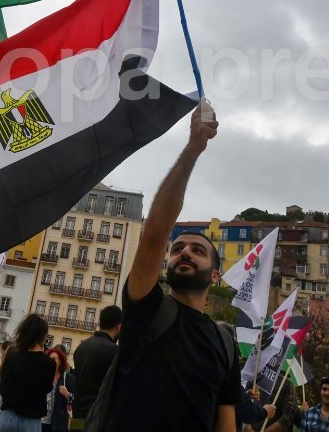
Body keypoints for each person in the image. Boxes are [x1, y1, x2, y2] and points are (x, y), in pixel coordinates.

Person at [100, 101, 239, 432]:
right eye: (177, 249)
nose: (185, 252)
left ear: (215, 275)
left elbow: (226, 421)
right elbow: (153, 235)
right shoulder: (147, 308)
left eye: (197, 250)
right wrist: (192, 150)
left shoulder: (224, 343)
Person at [0, 314, 56, 432]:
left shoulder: (12, 356)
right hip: (31, 420)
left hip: (7, 416)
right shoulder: (49, 363)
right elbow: (46, 389)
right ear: (43, 335)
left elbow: (4, 387)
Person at [68, 306, 121, 430]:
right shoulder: (114, 351)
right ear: (119, 327)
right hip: (97, 419)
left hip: (77, 417)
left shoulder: (81, 348)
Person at [41, 345, 73, 432]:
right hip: (41, 421)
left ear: (60, 361)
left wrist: (67, 394)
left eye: (54, 359)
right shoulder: (43, 376)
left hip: (58, 423)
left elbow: (76, 399)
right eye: (49, 359)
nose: (51, 361)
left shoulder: (67, 378)